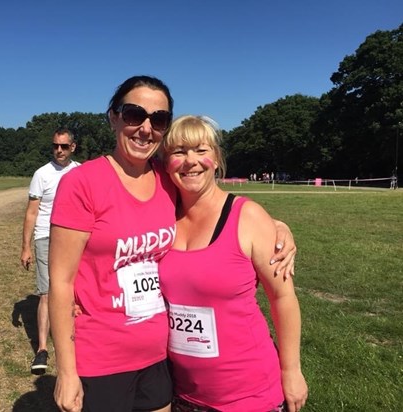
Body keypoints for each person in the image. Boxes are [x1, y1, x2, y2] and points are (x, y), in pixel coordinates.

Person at [48, 75, 297, 412]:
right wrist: (65, 371)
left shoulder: (167, 183)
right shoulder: (83, 182)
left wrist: (278, 228)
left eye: (159, 119)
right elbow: (60, 281)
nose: (145, 127)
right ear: (113, 117)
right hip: (104, 357)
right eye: (134, 114)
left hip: (162, 361)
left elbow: (222, 213)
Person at [159, 115, 308, 412]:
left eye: (201, 150)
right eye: (178, 152)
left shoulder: (247, 216)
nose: (191, 161)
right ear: (166, 162)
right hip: (181, 394)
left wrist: (291, 371)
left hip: (249, 395)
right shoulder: (160, 219)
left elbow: (283, 297)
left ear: (216, 158)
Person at [20, 127, 80, 375]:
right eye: (55, 145)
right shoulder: (41, 174)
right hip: (46, 236)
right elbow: (32, 212)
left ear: (72, 147)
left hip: (75, 238)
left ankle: (75, 341)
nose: (59, 150)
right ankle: (42, 349)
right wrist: (25, 247)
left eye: (64, 146)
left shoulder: (81, 172)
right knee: (46, 293)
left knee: (75, 292)